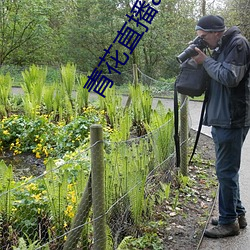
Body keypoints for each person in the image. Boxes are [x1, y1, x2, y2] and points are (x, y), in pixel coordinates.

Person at [192, 15, 250, 238]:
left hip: (232, 118)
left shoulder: (238, 44)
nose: (203, 41)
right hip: (222, 117)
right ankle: (237, 214)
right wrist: (202, 60)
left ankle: (228, 223)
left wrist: (205, 61)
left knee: (225, 171)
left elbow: (229, 77)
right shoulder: (221, 46)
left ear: (216, 32)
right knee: (227, 171)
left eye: (204, 37)